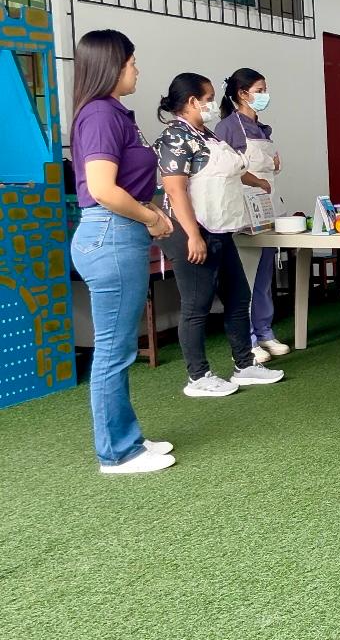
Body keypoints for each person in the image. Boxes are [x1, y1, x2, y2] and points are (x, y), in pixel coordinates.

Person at [69, 30, 176, 474]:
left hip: (117, 234)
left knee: (119, 349)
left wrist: (150, 210)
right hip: (110, 236)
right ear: (112, 65)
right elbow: (102, 189)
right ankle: (116, 453)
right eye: (132, 63)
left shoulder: (113, 113)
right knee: (114, 352)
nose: (137, 70)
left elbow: (122, 184)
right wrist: (150, 217)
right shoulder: (99, 114)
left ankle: (126, 436)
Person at [155, 73, 284, 397]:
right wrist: (192, 235)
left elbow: (231, 169)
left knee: (238, 297)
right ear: (191, 102)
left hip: (221, 228)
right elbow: (175, 189)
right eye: (209, 98)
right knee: (196, 305)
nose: (213, 104)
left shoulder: (206, 134)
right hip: (191, 231)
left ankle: (245, 365)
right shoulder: (175, 136)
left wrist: (258, 182)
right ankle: (198, 377)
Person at [215, 67, 290, 365]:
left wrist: (274, 167)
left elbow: (266, 166)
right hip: (244, 210)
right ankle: (248, 338)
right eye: (260, 90)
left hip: (267, 208)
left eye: (265, 90)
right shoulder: (227, 128)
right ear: (242, 93)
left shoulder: (262, 128)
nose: (264, 95)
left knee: (263, 275)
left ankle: (264, 330)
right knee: (244, 276)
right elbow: (224, 170)